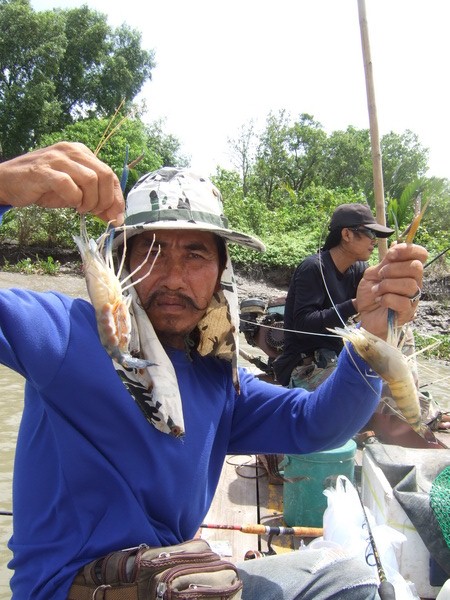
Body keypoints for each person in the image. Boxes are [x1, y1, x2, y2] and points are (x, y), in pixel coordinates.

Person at [0, 143, 426, 600]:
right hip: (72, 589)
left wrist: (373, 336)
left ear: (221, 269)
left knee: (347, 576)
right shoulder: (67, 334)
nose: (174, 278)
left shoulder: (218, 379)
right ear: (121, 263)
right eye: (152, 253)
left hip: (180, 580)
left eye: (196, 256)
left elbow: (317, 424)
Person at [273, 203, 395, 389]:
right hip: (304, 365)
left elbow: (376, 301)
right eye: (370, 234)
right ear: (346, 235)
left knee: (391, 384)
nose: (374, 241)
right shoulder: (313, 268)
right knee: (364, 395)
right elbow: (302, 325)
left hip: (338, 357)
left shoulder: (359, 270)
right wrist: (354, 305)